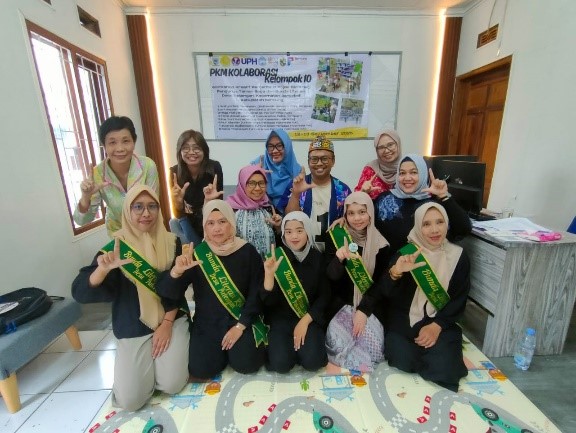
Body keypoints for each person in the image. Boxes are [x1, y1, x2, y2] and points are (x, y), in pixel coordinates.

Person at [72, 185, 190, 411]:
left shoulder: (172, 242)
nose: (146, 213)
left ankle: (156, 367)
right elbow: (79, 291)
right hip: (133, 323)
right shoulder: (116, 247)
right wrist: (102, 271)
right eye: (138, 207)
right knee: (130, 401)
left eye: (152, 206)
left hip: (170, 317)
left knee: (172, 384)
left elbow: (179, 287)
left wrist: (167, 324)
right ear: (127, 210)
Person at [356, 202, 470, 392]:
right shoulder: (406, 253)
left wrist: (436, 326)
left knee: (446, 367)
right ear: (418, 226)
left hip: (440, 319)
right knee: (401, 357)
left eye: (439, 222)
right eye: (426, 224)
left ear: (446, 224)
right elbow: (384, 291)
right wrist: (396, 273)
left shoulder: (458, 256)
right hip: (405, 318)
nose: (434, 230)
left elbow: (459, 297)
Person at [157, 200, 266, 380]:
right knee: (201, 370)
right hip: (207, 323)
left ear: (231, 223)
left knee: (247, 364)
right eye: (211, 223)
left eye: (222, 222)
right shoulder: (197, 254)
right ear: (204, 227)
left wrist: (241, 325)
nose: (217, 229)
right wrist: (176, 272)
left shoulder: (248, 251)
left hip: (239, 319)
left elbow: (256, 293)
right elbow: (169, 291)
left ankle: (234, 349)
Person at [324, 192, 390, 372]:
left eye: (362, 212)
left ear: (371, 213)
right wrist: (338, 260)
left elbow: (381, 286)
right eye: (351, 213)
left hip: (370, 304)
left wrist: (363, 311)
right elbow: (331, 278)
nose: (357, 218)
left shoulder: (381, 244)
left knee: (372, 346)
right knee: (338, 342)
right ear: (345, 215)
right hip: (341, 304)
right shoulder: (335, 236)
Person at [261, 212, 329, 373]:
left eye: (299, 230)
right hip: (281, 319)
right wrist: (269, 276)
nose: (294, 236)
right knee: (281, 365)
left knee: (313, 362)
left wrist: (305, 321)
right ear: (283, 234)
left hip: (308, 317)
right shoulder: (275, 259)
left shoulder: (318, 258)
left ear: (308, 231)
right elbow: (267, 303)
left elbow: (325, 296)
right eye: (289, 231)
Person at [74, 116, 159, 237]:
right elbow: (82, 221)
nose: (120, 149)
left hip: (148, 231)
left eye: (126, 141)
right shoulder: (97, 174)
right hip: (119, 235)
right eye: (112, 142)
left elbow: (153, 207)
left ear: (134, 142)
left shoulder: (147, 166)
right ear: (104, 146)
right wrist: (85, 197)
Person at [373, 154, 472, 254]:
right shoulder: (383, 199)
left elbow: (463, 229)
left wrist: (444, 196)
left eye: (413, 172)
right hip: (387, 262)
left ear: (423, 174)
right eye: (402, 173)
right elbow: (365, 223)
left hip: (422, 262)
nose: (407, 178)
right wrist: (364, 194)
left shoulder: (433, 204)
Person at [278, 136, 352, 251]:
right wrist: (296, 194)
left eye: (324, 159)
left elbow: (351, 221)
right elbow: (289, 219)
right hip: (303, 252)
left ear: (333, 161)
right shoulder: (296, 185)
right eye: (314, 159)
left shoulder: (343, 190)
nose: (319, 163)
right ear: (308, 162)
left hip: (334, 252)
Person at [170, 129, 223, 244]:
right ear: (180, 151)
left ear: (204, 150)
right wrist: (178, 204)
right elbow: (178, 214)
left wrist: (208, 202)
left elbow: (219, 206)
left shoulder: (214, 168)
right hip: (187, 220)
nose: (191, 152)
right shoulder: (174, 172)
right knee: (174, 224)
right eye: (186, 148)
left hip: (210, 217)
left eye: (196, 148)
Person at [226, 165, 282, 258]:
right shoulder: (229, 209)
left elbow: (280, 244)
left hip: (269, 264)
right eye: (251, 183)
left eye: (261, 183)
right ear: (242, 184)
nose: (257, 188)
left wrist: (278, 228)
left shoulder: (269, 208)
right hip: (241, 265)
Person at [250, 129, 302, 213]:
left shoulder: (297, 171)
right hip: (263, 215)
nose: (274, 151)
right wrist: (257, 175)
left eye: (279, 145)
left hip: (289, 216)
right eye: (270, 146)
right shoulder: (258, 164)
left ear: (287, 147)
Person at [354, 130, 402, 199]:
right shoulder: (370, 169)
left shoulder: (406, 167)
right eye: (381, 147)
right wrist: (363, 192)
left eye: (390, 145)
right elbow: (355, 201)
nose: (386, 150)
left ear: (398, 144)